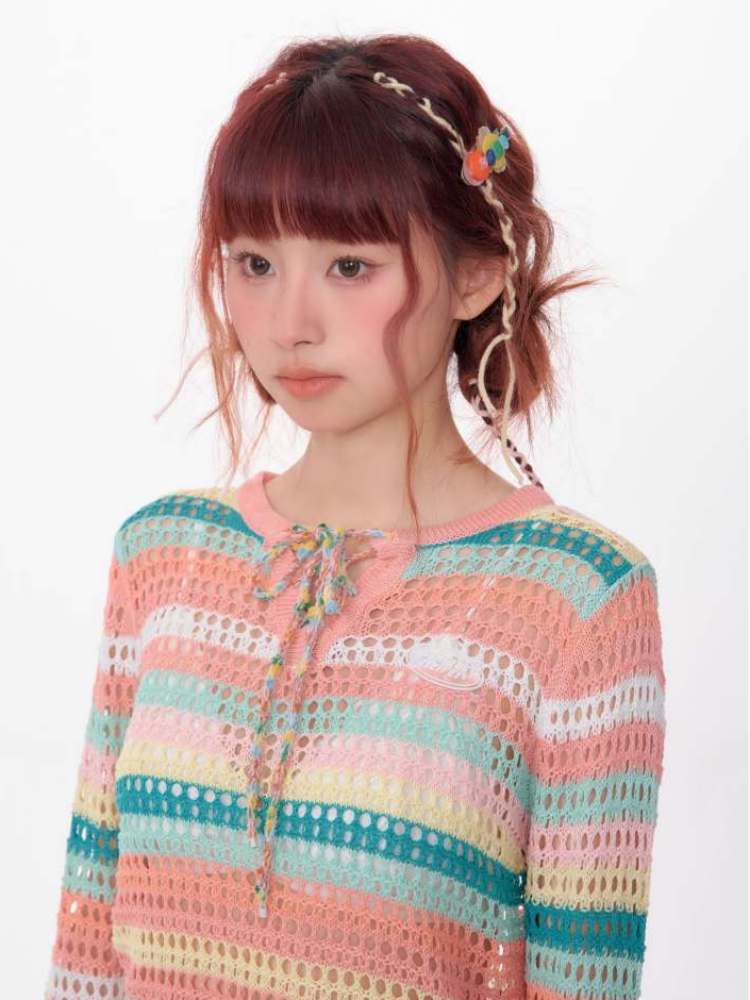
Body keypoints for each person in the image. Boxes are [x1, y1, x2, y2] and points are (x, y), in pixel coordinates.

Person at [43, 33, 666, 1000]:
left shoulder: (577, 598)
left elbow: (583, 974)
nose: (290, 324)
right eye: (255, 263)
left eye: (348, 266)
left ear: (475, 274)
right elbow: (87, 954)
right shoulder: (163, 556)